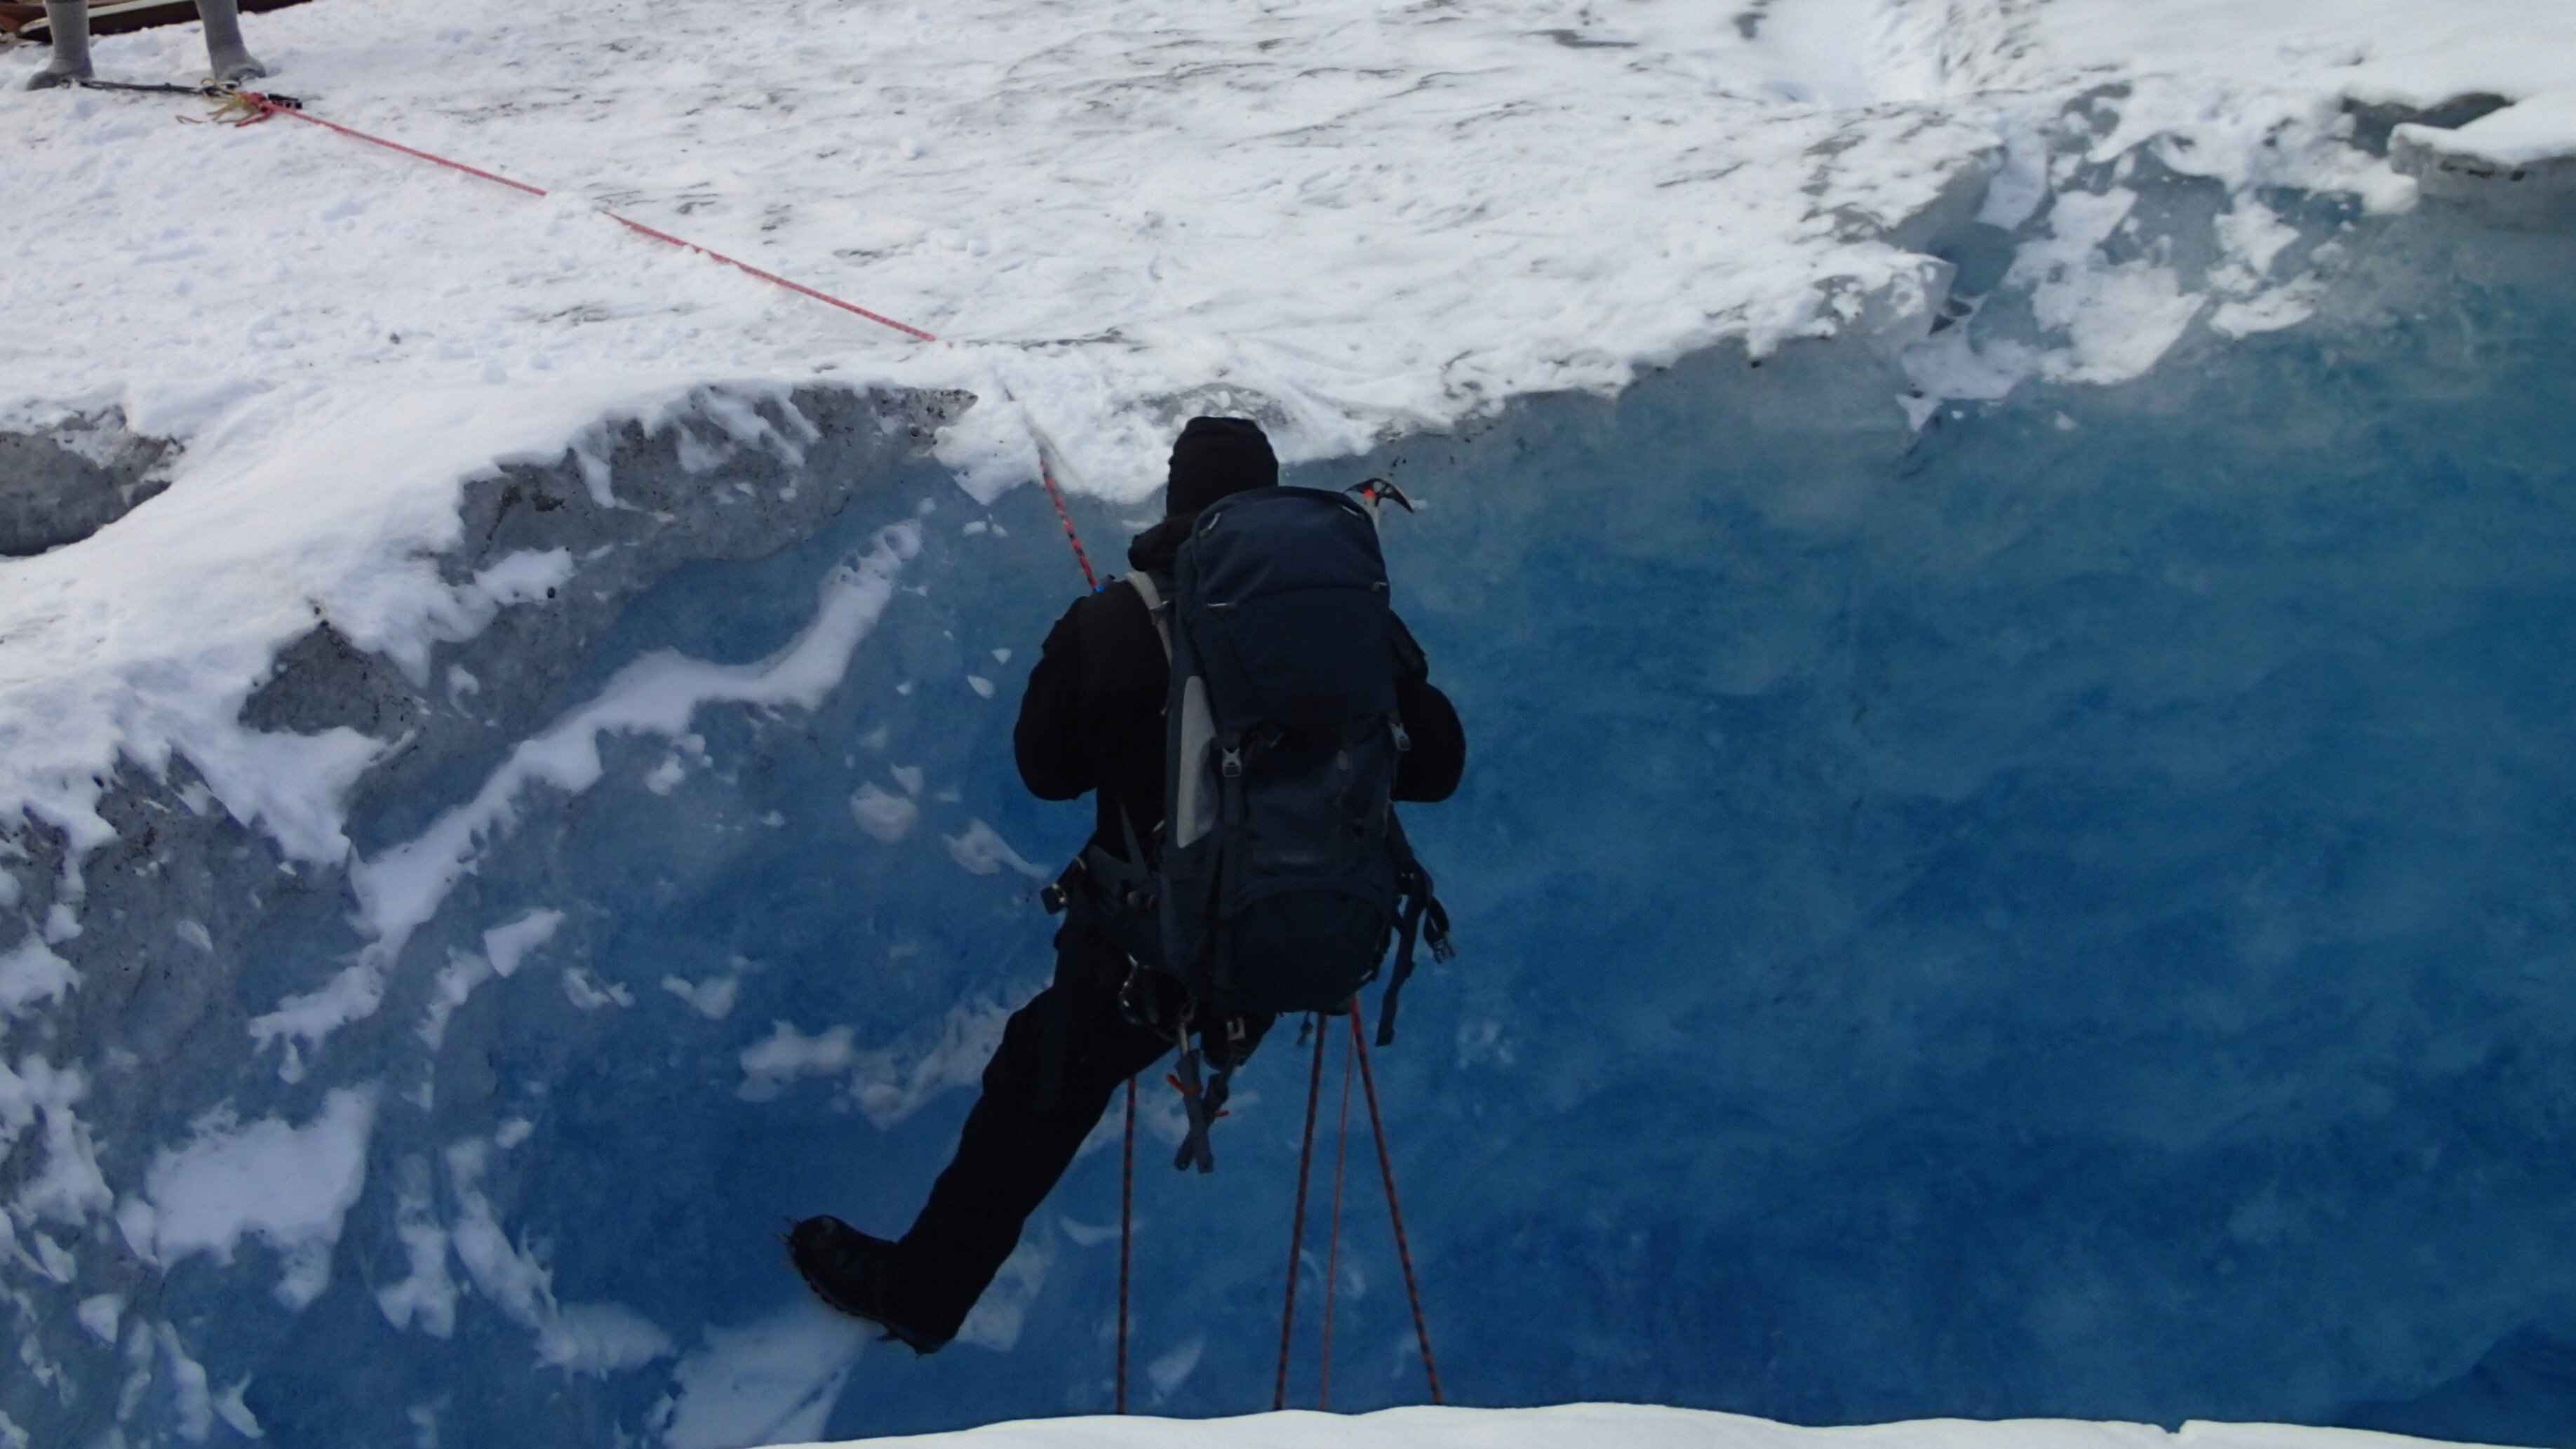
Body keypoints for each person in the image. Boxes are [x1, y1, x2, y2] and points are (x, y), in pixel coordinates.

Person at [788, 416, 1467, 1352]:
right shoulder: (1348, 621)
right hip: (1315, 932)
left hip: (1150, 958)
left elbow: (1044, 768)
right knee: (1133, 1027)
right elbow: (1437, 766)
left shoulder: (1114, 620)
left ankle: (924, 1290)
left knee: (1038, 1078)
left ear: (1176, 497)